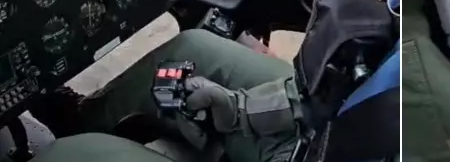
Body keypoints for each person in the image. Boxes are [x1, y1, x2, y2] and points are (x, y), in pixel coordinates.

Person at [29, 29, 298, 162]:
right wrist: (249, 108)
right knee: (191, 51)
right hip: (316, 121)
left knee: (73, 156)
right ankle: (87, 118)